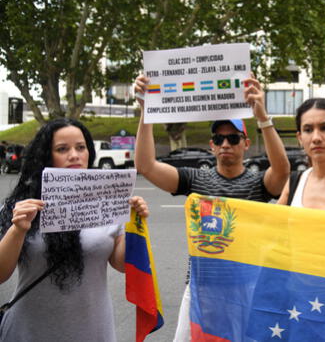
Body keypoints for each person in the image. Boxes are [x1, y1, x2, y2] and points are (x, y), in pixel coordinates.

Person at [134, 74, 290, 341]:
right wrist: (146, 111)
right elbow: (146, 166)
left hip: (246, 287)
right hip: (199, 287)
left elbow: (282, 171)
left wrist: (262, 116)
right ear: (211, 146)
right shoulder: (196, 179)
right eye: (219, 139)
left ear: (246, 143)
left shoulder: (257, 185)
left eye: (233, 138)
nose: (226, 144)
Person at [0, 118, 149, 342]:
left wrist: (135, 226)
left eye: (81, 147)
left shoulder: (109, 200)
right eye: (62, 149)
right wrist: (18, 229)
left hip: (93, 330)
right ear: (46, 155)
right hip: (28, 330)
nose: (74, 155)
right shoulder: (21, 206)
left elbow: (122, 265)